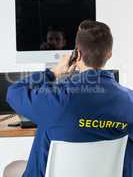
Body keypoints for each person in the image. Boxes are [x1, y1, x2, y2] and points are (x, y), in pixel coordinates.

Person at [5, 20, 133, 177]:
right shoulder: (130, 100)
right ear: (109, 55)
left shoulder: (55, 98)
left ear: (77, 54)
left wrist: (53, 73)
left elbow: (14, 92)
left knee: (11, 169)